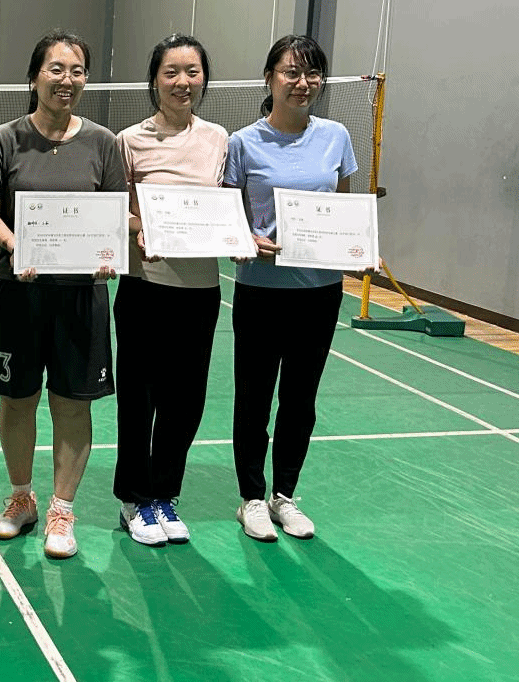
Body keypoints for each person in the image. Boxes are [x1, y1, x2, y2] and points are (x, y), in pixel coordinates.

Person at [0, 30, 124, 559]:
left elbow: (114, 214)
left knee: (72, 402)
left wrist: (111, 251)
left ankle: (63, 509)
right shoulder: (3, 140)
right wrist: (12, 243)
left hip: (81, 295)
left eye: (77, 70)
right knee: (17, 399)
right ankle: (22, 498)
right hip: (16, 291)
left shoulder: (104, 143)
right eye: (56, 69)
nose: (67, 80)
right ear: (34, 76)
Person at [225, 34, 358, 542]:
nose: (303, 83)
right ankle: (251, 498)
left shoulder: (336, 136)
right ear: (269, 78)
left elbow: (342, 208)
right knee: (254, 398)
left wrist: (353, 249)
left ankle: (284, 495)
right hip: (260, 290)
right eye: (291, 72)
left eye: (312, 73)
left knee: (301, 399)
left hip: (320, 292)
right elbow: (230, 215)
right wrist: (246, 238)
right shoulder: (242, 142)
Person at [113, 34, 228, 547]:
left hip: (200, 289)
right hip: (145, 286)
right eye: (171, 72)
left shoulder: (218, 139)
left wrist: (238, 237)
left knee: (186, 399)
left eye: (193, 71)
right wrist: (142, 227)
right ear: (155, 80)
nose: (183, 82)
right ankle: (134, 499)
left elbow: (225, 206)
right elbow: (117, 209)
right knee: (140, 398)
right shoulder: (129, 140)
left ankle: (165, 494)